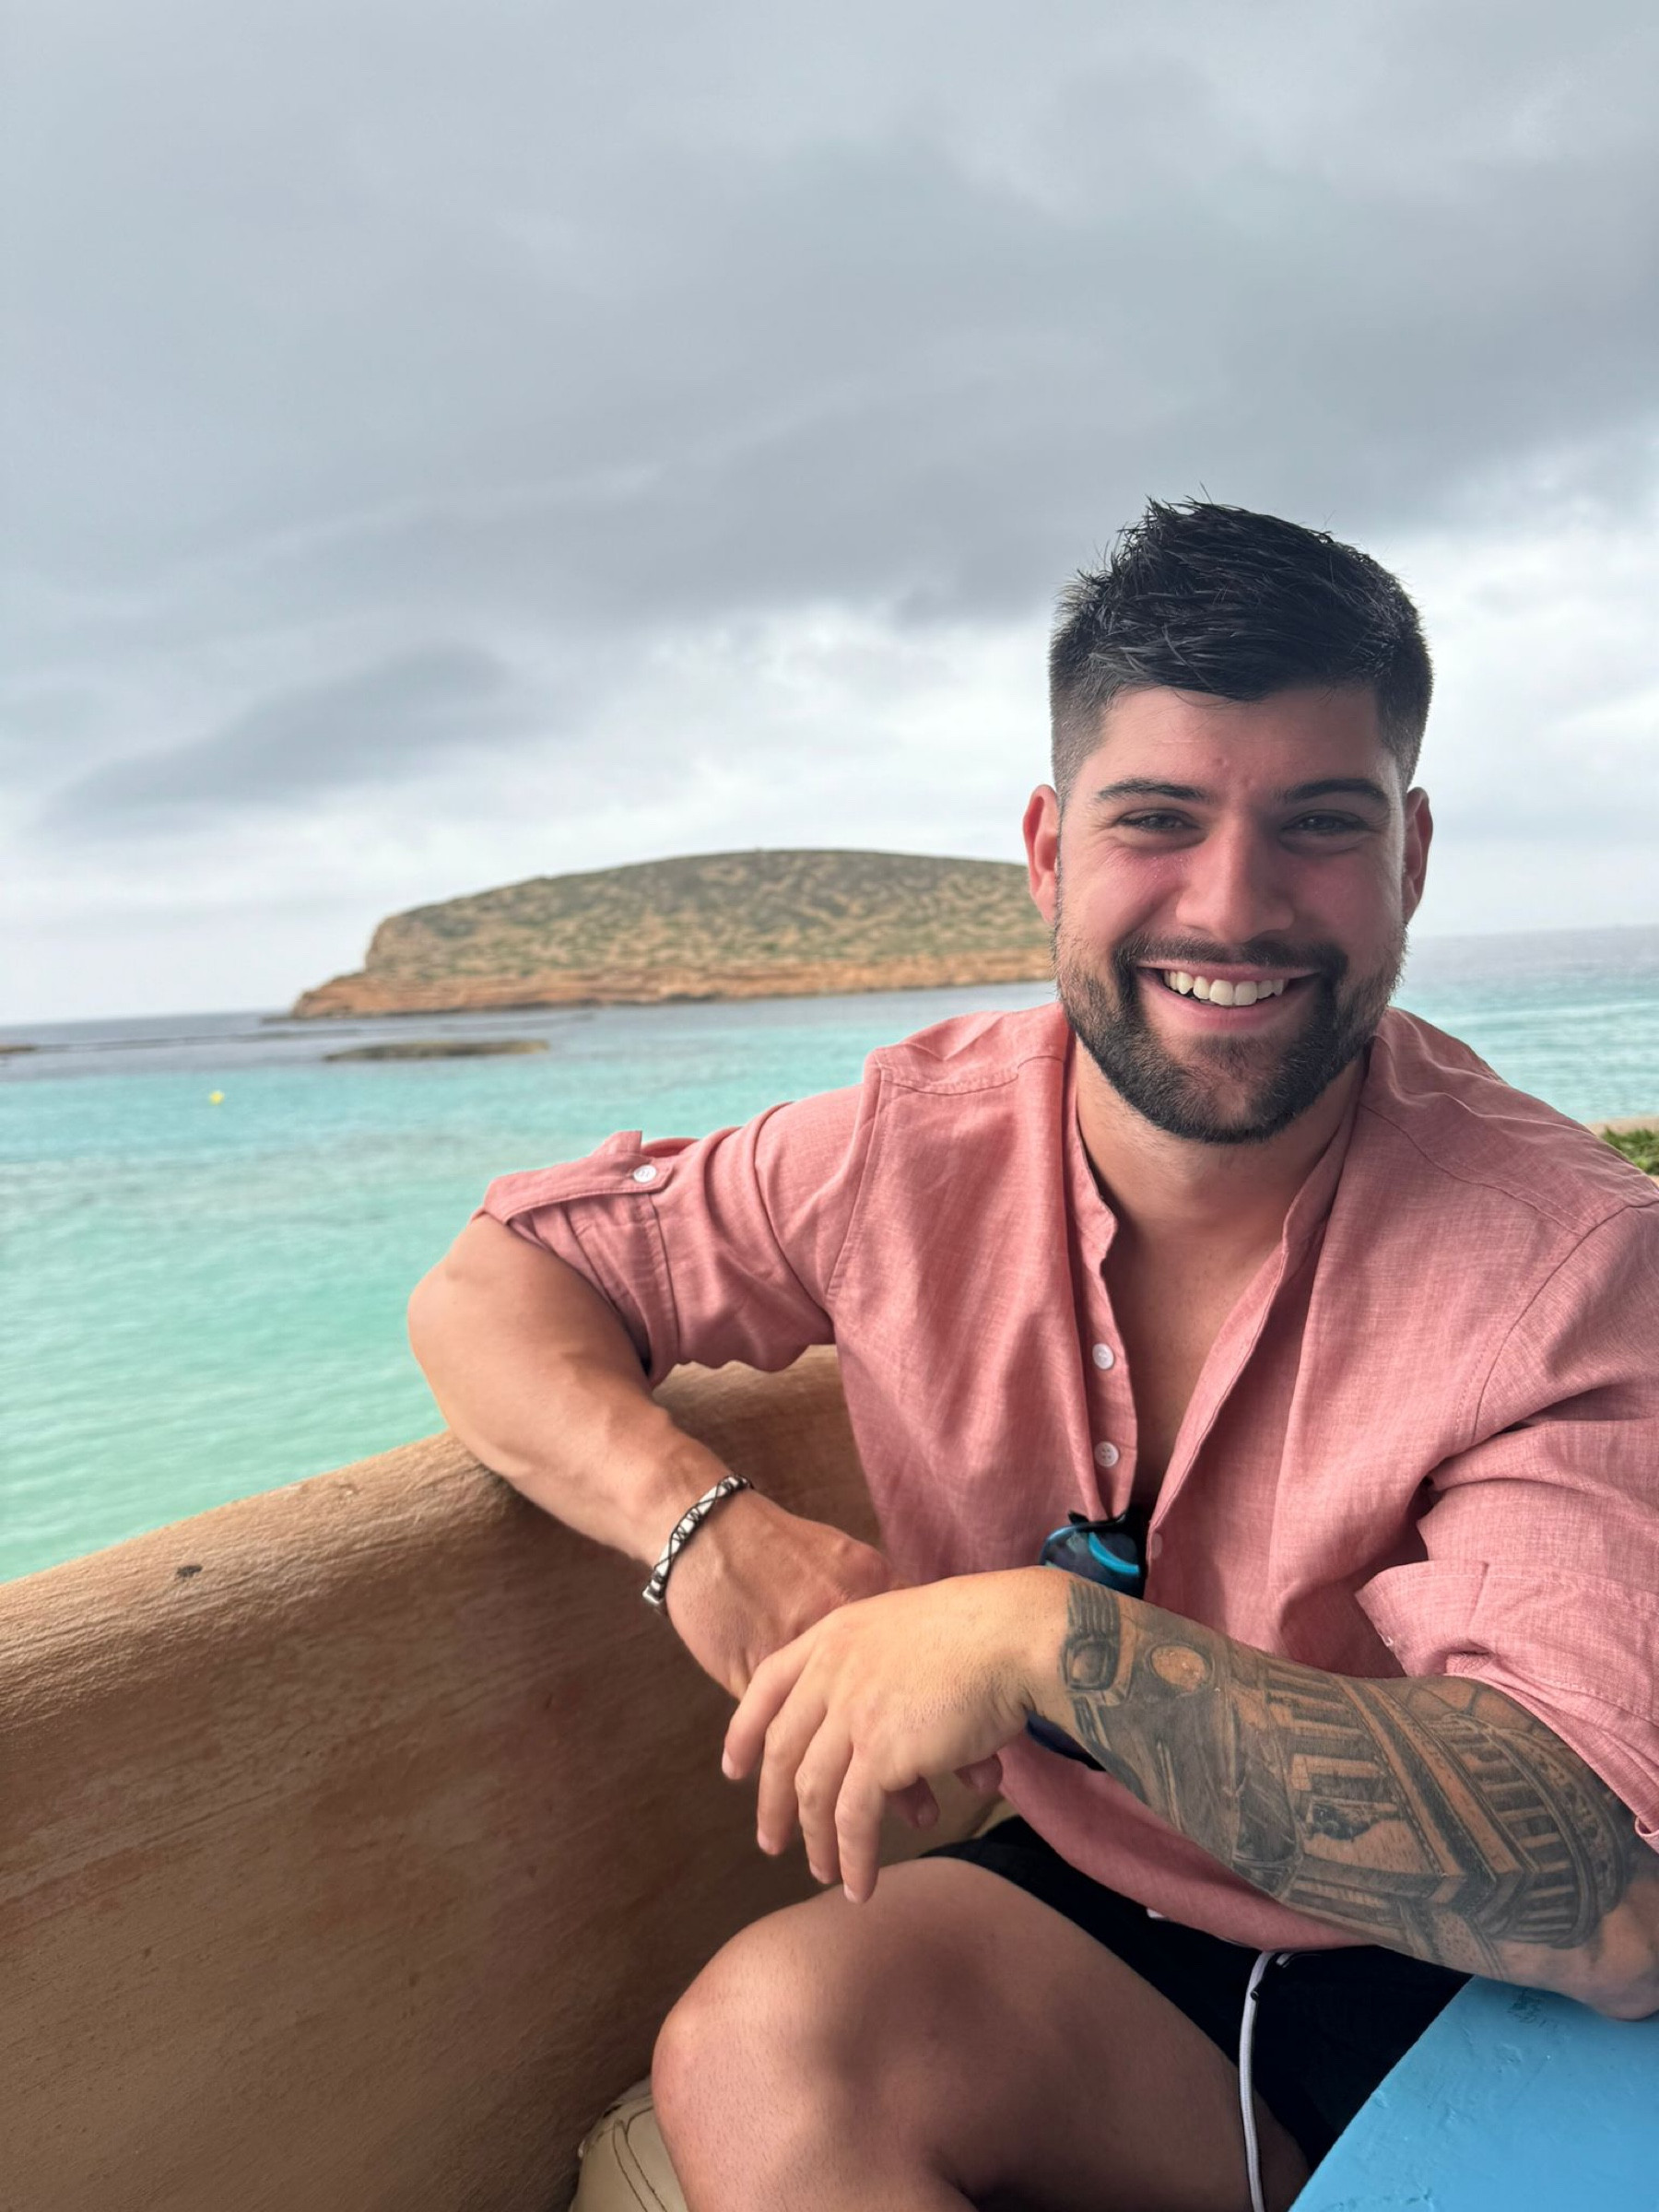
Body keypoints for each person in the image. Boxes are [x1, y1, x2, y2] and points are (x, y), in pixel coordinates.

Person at [408, 500, 1659, 2212]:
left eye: (1320, 824)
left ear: (1411, 858)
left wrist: (1048, 1645)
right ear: (1051, 850)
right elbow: (494, 1286)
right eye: (1158, 820)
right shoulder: (905, 1148)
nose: (1232, 903)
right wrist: (702, 1532)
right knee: (765, 2050)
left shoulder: (1566, 1259)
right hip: (1116, 1911)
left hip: (1473, 1985)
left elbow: (1601, 1898)